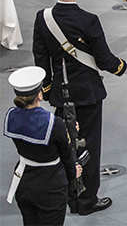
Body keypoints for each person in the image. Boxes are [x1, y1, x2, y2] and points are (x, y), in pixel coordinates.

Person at [32, 0, 127, 216]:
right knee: (89, 146)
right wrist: (123, 67)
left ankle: (69, 195)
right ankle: (86, 201)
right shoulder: (88, 20)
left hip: (60, 96)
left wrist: (49, 87)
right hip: (87, 95)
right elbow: (106, 61)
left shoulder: (43, 19)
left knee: (66, 145)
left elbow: (40, 58)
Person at [4, 66, 81, 226]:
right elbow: (66, 155)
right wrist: (74, 172)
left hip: (23, 181)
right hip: (50, 186)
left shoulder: (11, 116)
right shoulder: (54, 123)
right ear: (39, 94)